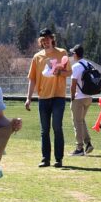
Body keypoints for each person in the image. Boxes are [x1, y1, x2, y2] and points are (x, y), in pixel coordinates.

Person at [25, 27, 69, 167]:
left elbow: (69, 73)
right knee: (44, 130)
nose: (46, 42)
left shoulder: (62, 53)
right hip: (43, 97)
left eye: (48, 39)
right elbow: (32, 79)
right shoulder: (37, 57)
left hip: (58, 96)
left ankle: (58, 159)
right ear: (41, 42)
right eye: (43, 40)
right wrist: (28, 98)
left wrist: (59, 73)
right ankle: (45, 159)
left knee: (57, 127)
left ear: (52, 39)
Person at [69, 44, 96, 156]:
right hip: (89, 97)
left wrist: (72, 97)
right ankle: (88, 143)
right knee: (81, 120)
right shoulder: (88, 64)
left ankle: (79, 148)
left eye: (72, 54)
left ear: (75, 54)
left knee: (77, 122)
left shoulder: (76, 66)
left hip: (79, 97)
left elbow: (73, 84)